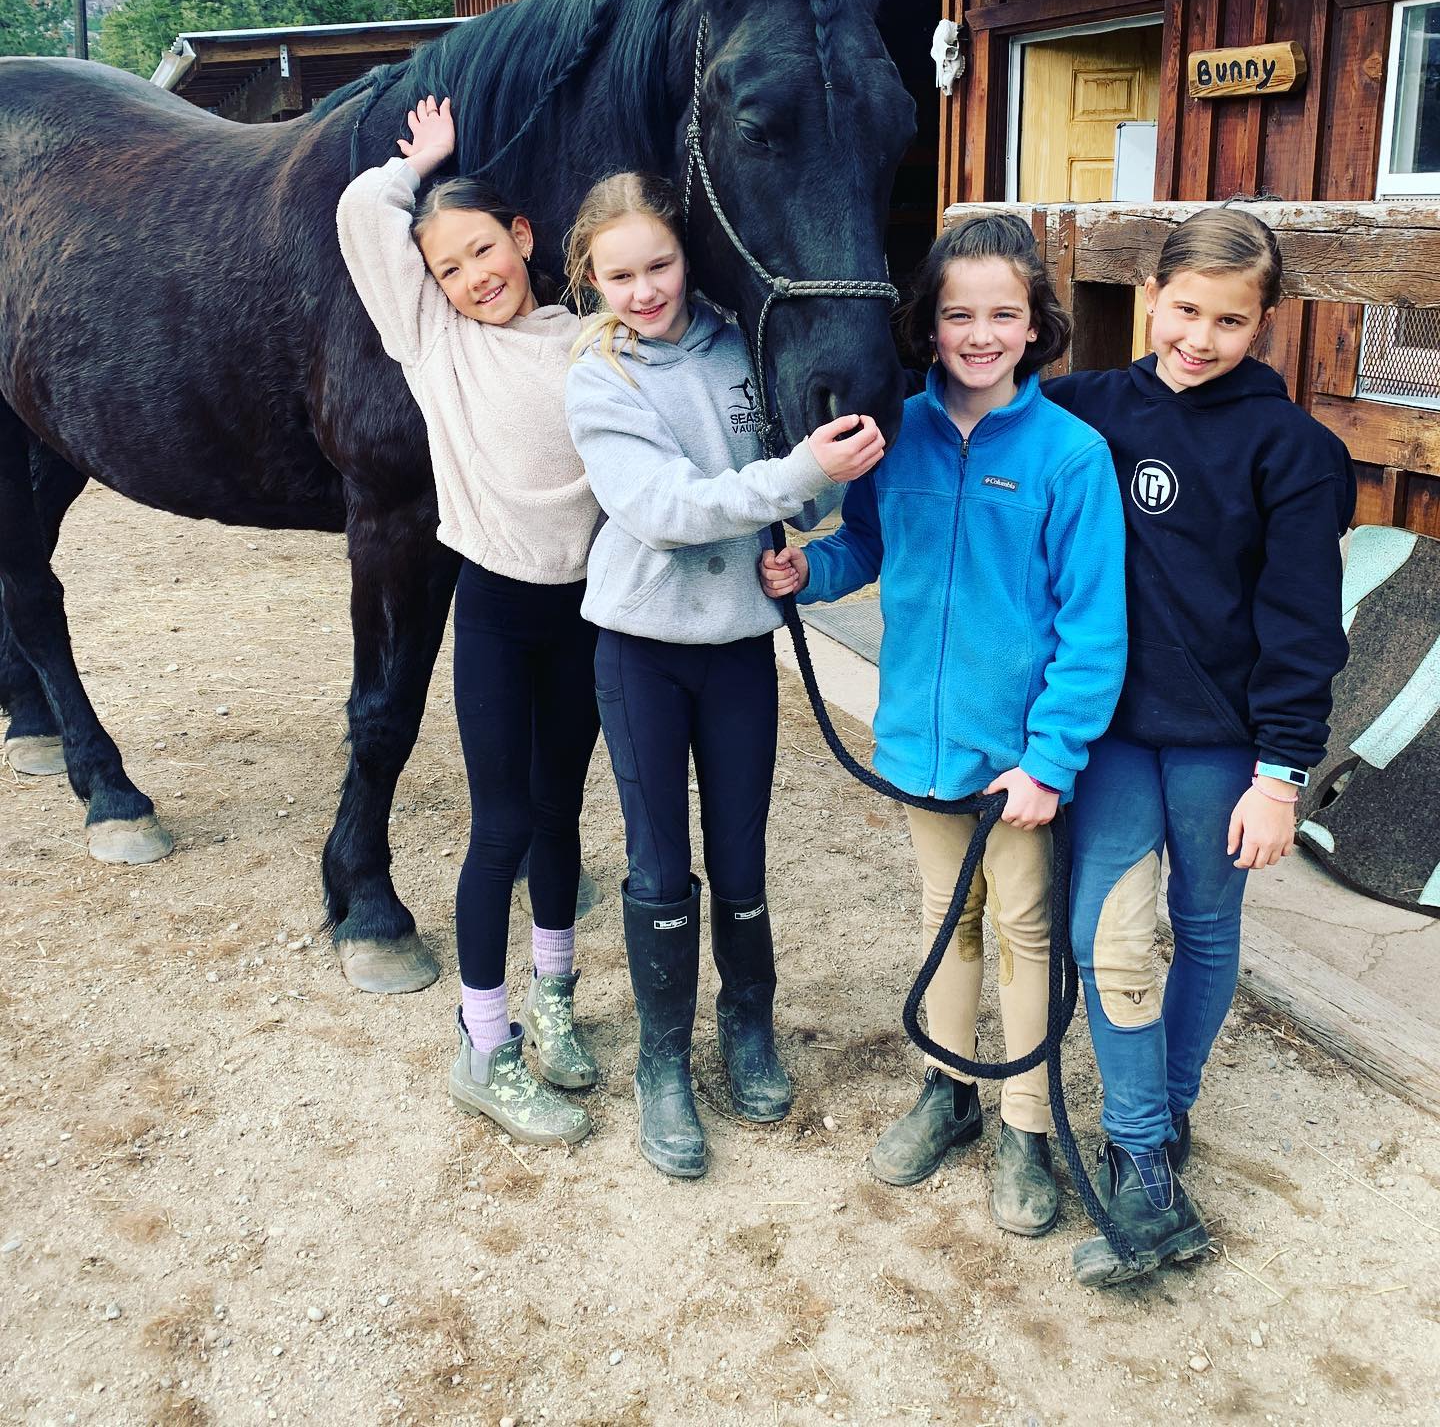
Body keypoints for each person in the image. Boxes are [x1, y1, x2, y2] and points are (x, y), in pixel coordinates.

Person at [763, 214, 1127, 1236]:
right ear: (928, 324)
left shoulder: (1071, 458)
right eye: (959, 314)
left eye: (1003, 315)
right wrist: (806, 570)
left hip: (1016, 768)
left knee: (1024, 933)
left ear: (1035, 325)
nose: (980, 335)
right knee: (944, 918)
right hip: (921, 748)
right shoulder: (899, 433)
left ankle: (1026, 1125)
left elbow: (1094, 629)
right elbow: (866, 546)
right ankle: (949, 1087)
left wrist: (1050, 760)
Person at [1046, 206, 1356, 1286]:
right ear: (1150, 296)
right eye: (1184, 310)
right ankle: (1141, 1150)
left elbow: (1303, 625)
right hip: (1115, 734)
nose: (1199, 338)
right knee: (1108, 938)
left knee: (1206, 926)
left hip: (1226, 746)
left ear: (1266, 322)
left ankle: (1161, 1122)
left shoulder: (1297, 453)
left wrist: (1282, 775)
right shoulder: (1082, 410)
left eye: (1230, 320)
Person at [562, 172, 885, 1179]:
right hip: (643, 651)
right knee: (661, 861)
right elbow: (665, 510)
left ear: (687, 254)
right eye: (619, 276)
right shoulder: (598, 378)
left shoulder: (748, 342)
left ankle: (749, 1026)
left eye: (659, 265)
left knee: (741, 853)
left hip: (741, 645)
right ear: (592, 278)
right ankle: (662, 1061)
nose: (644, 290)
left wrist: (810, 512)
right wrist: (801, 476)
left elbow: (806, 487)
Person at [336, 95, 602, 1149]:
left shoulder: (593, 342)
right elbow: (362, 216)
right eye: (447, 267)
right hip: (494, 613)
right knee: (502, 827)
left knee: (562, 813)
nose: (472, 276)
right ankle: (484, 1048)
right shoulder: (433, 343)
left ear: (523, 237)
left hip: (586, 617)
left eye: (483, 249)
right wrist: (422, 168)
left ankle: (555, 999)